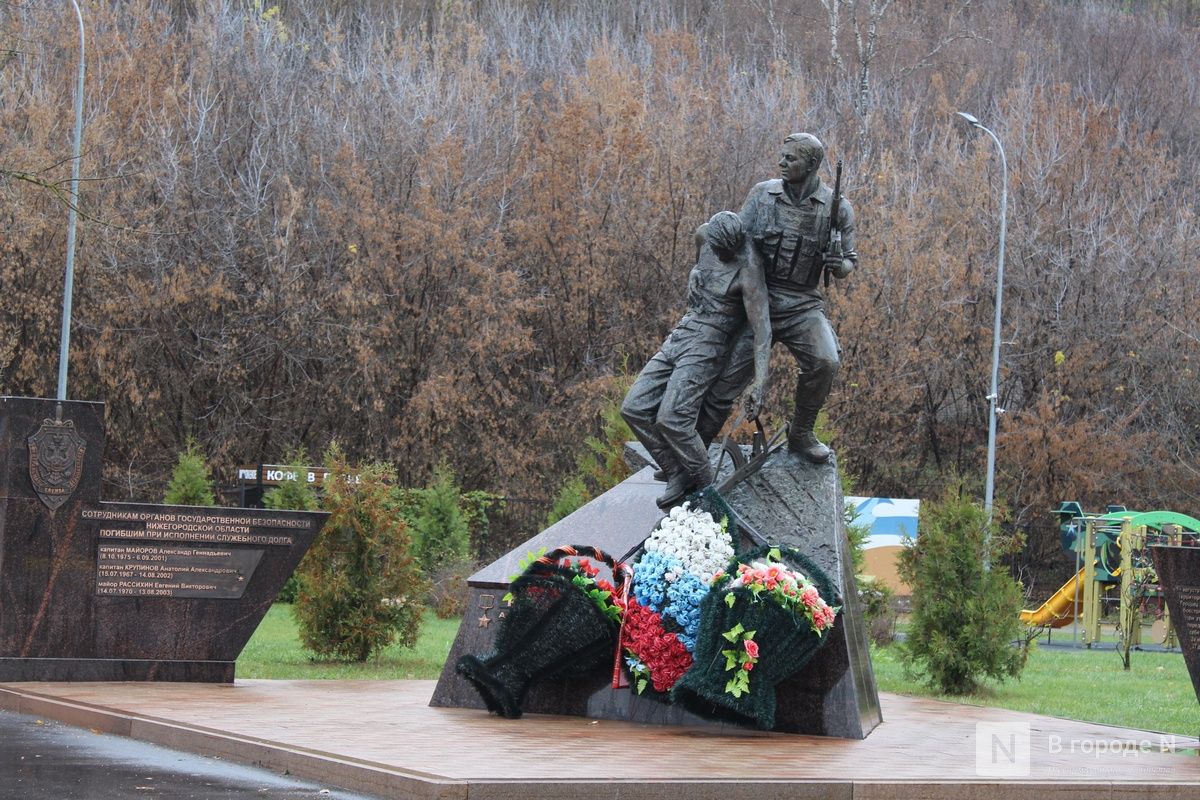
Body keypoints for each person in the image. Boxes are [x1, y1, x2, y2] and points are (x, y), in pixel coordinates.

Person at [694, 133, 857, 463]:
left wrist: (838, 263)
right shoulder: (762, 195)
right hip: (758, 300)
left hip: (803, 305)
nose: (781, 163)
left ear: (811, 164)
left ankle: (801, 434)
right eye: (782, 156)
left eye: (790, 158)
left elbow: (849, 263)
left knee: (825, 361)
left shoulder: (837, 208)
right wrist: (701, 270)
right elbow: (731, 241)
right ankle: (691, 453)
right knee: (726, 380)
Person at [621, 211, 771, 509]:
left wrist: (760, 381)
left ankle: (707, 490)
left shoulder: (749, 271)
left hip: (709, 345)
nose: (722, 256)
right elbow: (699, 262)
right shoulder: (704, 235)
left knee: (672, 418)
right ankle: (676, 470)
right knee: (634, 407)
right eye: (718, 250)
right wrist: (694, 272)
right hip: (683, 332)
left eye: (727, 252)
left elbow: (763, 329)